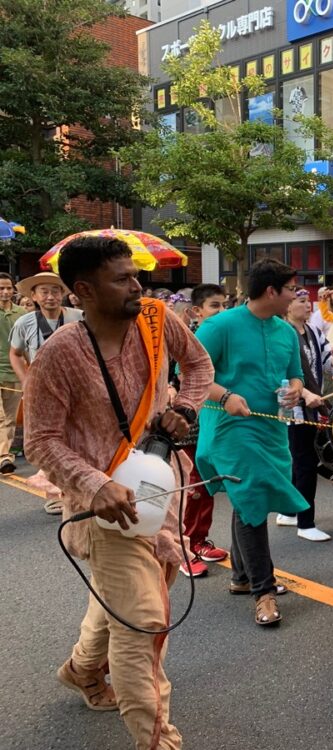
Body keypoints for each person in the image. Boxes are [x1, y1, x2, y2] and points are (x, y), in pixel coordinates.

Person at [24, 235, 213, 749]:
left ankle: (83, 670)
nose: (139, 285)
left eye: (136, 275)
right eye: (123, 278)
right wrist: (94, 483)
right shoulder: (58, 354)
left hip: (159, 485)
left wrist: (188, 408)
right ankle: (159, 742)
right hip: (106, 509)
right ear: (82, 291)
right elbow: (38, 440)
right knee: (144, 623)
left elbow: (198, 367)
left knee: (126, 599)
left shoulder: (155, 318)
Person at [195, 258, 311, 627]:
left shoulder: (286, 332)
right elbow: (191, 373)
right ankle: (264, 590)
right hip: (230, 427)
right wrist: (225, 395)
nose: (297, 295)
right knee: (252, 497)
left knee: (248, 499)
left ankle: (241, 577)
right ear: (272, 291)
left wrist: (295, 391)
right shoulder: (219, 325)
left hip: (272, 428)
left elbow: (294, 375)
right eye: (291, 289)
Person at [10, 271, 85, 513]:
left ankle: (77, 490)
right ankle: (55, 493)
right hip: (42, 390)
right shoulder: (25, 323)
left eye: (55, 291)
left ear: (63, 294)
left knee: (77, 439)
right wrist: (26, 381)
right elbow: (16, 353)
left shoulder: (79, 317)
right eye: (44, 291)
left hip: (77, 387)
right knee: (49, 442)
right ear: (33, 295)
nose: (50, 296)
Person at [275, 289, 333, 541]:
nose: (308, 306)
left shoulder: (313, 331)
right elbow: (280, 372)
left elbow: (327, 361)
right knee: (305, 461)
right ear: (288, 307)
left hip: (311, 400)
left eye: (308, 301)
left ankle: (289, 511)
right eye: (301, 301)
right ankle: (306, 522)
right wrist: (304, 394)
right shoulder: (282, 332)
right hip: (294, 405)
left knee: (299, 458)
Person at [176, 284, 229, 572]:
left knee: (206, 482)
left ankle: (199, 539)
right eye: (214, 306)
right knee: (191, 485)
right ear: (196, 311)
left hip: (213, 421)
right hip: (190, 422)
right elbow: (184, 376)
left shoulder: (223, 336)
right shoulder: (190, 338)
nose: (221, 311)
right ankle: (184, 547)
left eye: (224, 305)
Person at [0, 272, 26, 474]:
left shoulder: (21, 315)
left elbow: (25, 346)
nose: (5, 292)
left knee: (9, 419)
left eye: (8, 288)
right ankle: (4, 457)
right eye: (1, 288)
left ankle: (5, 456)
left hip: (14, 373)